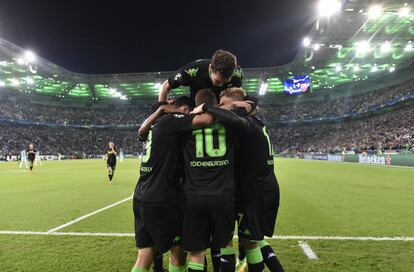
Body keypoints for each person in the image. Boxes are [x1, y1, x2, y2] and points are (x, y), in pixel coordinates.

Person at [196, 88, 284, 272]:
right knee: (254, 239)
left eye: (222, 103)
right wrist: (237, 103)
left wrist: (207, 107)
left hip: (255, 192)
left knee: (250, 243)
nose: (220, 106)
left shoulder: (246, 122)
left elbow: (234, 118)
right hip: (261, 187)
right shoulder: (256, 121)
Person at [131, 96, 214, 272]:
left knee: (144, 256)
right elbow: (207, 119)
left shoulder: (155, 125)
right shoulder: (173, 120)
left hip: (140, 195)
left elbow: (140, 132)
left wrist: (161, 110)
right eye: (187, 112)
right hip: (162, 198)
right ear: (183, 110)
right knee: (178, 252)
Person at [158, 50, 243, 102]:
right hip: (196, 105)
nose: (220, 85)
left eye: (225, 82)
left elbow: (238, 95)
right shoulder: (192, 71)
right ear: (210, 68)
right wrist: (162, 107)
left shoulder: (238, 74)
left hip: (223, 106)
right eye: (217, 81)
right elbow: (165, 86)